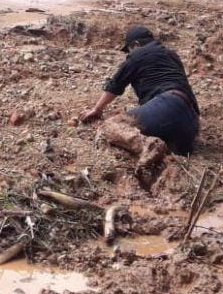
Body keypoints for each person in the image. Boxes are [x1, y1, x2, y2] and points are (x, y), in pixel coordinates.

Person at [79, 26, 200, 183]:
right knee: (167, 142)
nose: (128, 53)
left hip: (168, 105)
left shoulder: (137, 54)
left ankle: (148, 148)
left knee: (110, 126)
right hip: (191, 122)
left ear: (135, 44)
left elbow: (116, 85)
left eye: (128, 49)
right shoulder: (172, 55)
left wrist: (96, 109)